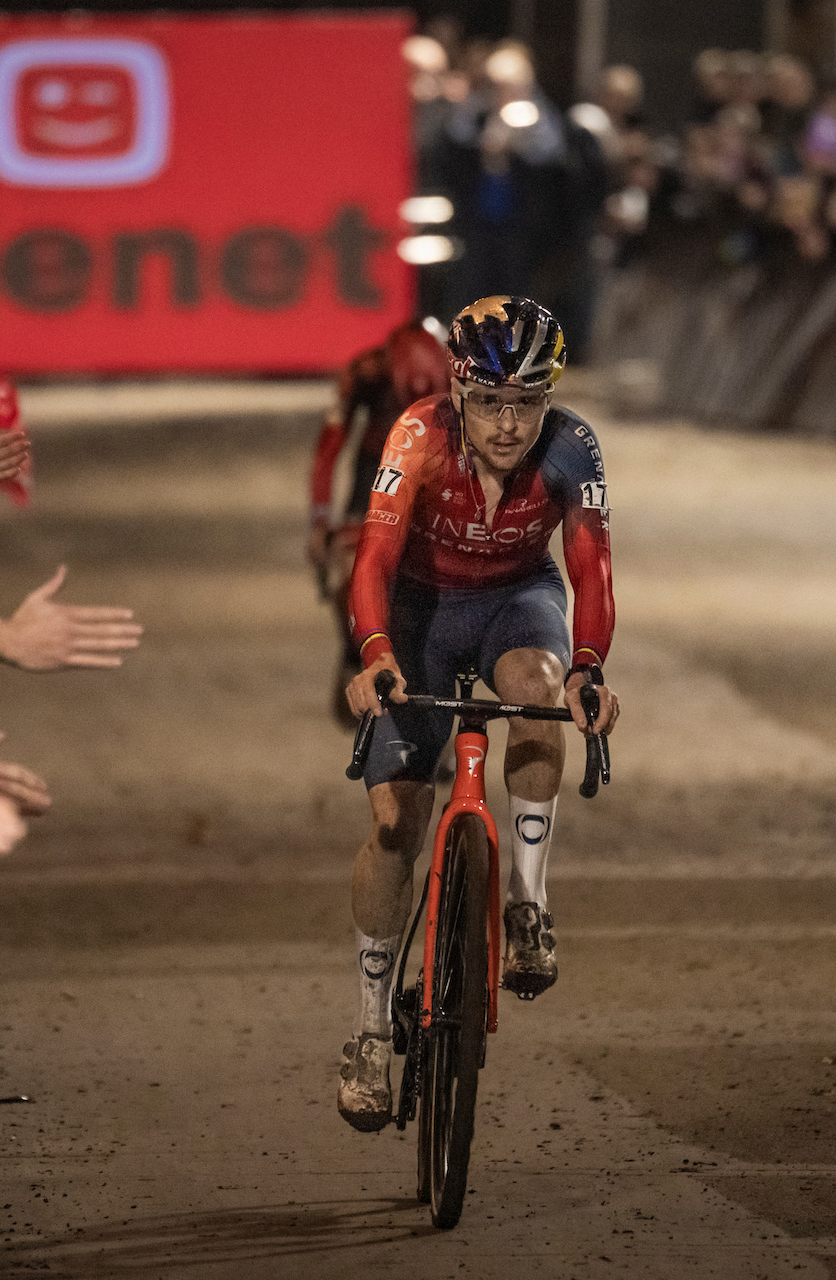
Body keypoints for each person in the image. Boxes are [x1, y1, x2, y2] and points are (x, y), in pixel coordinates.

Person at [336, 296, 621, 1132]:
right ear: (459, 393)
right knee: (396, 821)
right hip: (422, 609)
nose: (508, 423)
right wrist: (377, 653)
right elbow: (375, 555)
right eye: (491, 402)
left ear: (549, 399)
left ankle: (528, 905)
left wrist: (588, 671)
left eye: (527, 401)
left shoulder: (573, 449)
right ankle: (365, 1033)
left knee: (540, 684)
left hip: (515, 603)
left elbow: (593, 572)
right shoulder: (417, 436)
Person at [308, 319, 452, 721]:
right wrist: (321, 522)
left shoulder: (461, 370)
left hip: (433, 467)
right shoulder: (365, 373)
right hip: (375, 471)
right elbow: (328, 449)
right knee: (353, 565)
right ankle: (356, 644)